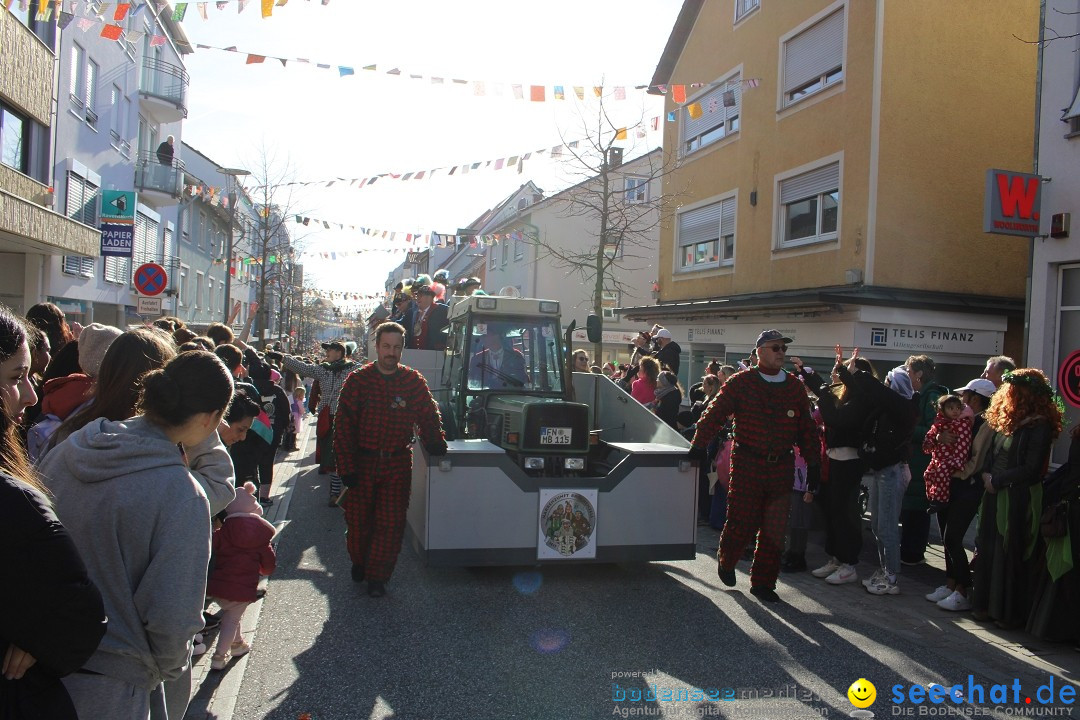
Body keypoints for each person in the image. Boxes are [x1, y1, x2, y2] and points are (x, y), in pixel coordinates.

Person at [37, 351, 235, 720]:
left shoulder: (70, 448)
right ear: (211, 419)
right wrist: (166, 671)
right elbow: (173, 618)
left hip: (35, 663)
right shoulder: (181, 494)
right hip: (113, 682)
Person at [0, 304, 107, 720]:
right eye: (15, 377)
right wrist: (40, 633)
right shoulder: (13, 501)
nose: (30, 393)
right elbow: (78, 611)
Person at [688, 330, 820, 603]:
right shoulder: (741, 382)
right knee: (741, 520)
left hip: (781, 464)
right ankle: (727, 559)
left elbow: (807, 429)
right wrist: (698, 445)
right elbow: (714, 413)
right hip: (748, 461)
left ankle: (763, 582)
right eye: (775, 348)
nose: (781, 352)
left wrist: (814, 464)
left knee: (774, 527)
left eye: (783, 348)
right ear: (759, 351)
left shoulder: (794, 387)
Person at [334, 322, 447, 597]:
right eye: (386, 346)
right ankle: (359, 561)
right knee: (359, 524)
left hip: (397, 463)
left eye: (397, 347)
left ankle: (378, 577)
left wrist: (435, 441)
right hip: (363, 462)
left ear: (402, 349)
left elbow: (427, 415)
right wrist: (346, 468)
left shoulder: (412, 381)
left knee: (391, 523)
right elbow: (344, 427)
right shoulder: (358, 380)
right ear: (377, 346)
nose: (391, 352)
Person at [970, 368, 1062, 629]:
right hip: (993, 493)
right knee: (988, 547)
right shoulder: (1005, 420)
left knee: (1009, 552)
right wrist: (987, 476)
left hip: (1018, 497)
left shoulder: (1040, 425)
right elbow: (991, 453)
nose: (1009, 395)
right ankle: (984, 605)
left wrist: (997, 481)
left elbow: (1032, 468)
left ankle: (1007, 613)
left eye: (1014, 391)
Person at [794, 347, 876, 585]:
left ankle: (849, 563)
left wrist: (815, 380)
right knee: (832, 511)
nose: (835, 374)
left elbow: (834, 417)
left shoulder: (862, 399)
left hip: (850, 462)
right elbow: (827, 399)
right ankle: (836, 557)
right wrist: (807, 373)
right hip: (833, 460)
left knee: (845, 513)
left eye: (842, 370)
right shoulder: (845, 396)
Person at [839, 361, 921, 596]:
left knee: (887, 527)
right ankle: (885, 570)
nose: (884, 385)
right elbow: (867, 393)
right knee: (877, 525)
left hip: (893, 470)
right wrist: (847, 374)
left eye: (888, 382)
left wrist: (859, 373)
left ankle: (892, 576)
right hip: (882, 470)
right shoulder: (890, 406)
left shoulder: (904, 407)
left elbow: (877, 392)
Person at [925, 378, 995, 612]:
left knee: (953, 537)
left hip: (967, 485)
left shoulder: (985, 423)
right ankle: (951, 584)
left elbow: (978, 458)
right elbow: (935, 438)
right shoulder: (959, 418)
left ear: (975, 398)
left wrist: (955, 470)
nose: (960, 401)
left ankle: (964, 589)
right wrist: (938, 438)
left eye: (965, 396)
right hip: (949, 483)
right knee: (946, 537)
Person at [279, 340, 362, 505]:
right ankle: (338, 491)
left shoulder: (353, 369)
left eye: (329, 350)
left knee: (338, 455)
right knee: (330, 456)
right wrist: (282, 357)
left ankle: (336, 492)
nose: (326, 353)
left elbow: (369, 372)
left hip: (344, 418)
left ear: (339, 352)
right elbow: (303, 368)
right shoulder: (323, 369)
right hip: (326, 418)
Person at [205, 482, 276, 671]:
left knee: (231, 615)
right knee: (231, 620)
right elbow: (268, 562)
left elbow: (209, 548)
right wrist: (265, 571)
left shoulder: (223, 532)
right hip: (241, 586)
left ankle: (238, 645)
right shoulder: (260, 535)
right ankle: (219, 657)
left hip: (219, 585)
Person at [899, 355, 945, 566]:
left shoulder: (932, 396)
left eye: (909, 371)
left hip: (922, 461)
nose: (907, 375)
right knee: (911, 509)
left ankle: (913, 553)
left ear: (918, 373)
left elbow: (933, 430)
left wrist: (908, 428)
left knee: (917, 510)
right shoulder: (921, 395)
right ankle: (910, 551)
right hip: (916, 460)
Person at [922, 394, 974, 514]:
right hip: (938, 459)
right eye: (951, 408)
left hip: (952, 459)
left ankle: (941, 500)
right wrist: (935, 439)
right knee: (928, 474)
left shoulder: (962, 424)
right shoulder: (938, 424)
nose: (955, 411)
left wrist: (956, 460)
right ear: (942, 410)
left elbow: (964, 444)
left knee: (941, 472)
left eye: (957, 408)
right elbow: (928, 439)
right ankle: (933, 498)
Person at [411, 284, 449, 350]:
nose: (418, 298)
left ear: (430, 297)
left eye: (420, 296)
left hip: (435, 353)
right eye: (417, 296)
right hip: (417, 353)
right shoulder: (415, 313)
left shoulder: (442, 310)